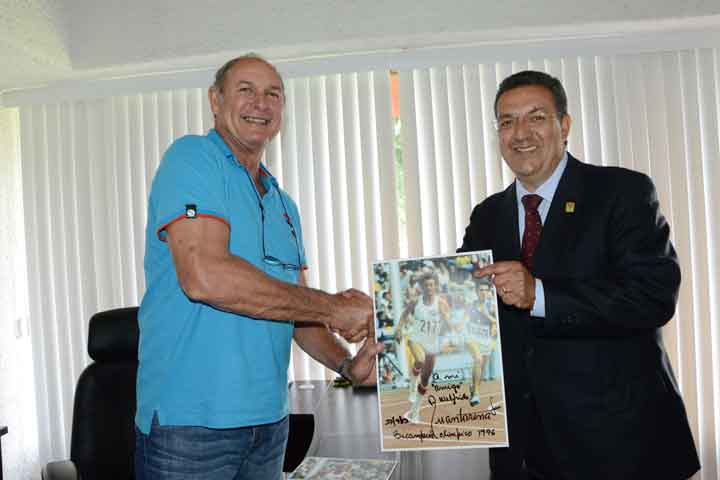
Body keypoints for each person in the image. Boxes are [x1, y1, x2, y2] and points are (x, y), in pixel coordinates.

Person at [134, 54, 382, 480]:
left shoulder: (284, 205)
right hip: (191, 426)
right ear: (215, 100)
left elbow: (297, 314)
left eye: (273, 94)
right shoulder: (192, 159)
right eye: (245, 90)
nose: (260, 103)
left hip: (270, 424)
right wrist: (334, 307)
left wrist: (347, 366)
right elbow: (205, 277)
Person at [459, 70, 700, 480]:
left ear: (564, 125)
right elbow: (462, 306)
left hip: (620, 448)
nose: (520, 133)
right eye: (507, 121)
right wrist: (388, 323)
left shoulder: (622, 192)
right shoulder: (487, 215)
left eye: (536, 117)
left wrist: (540, 295)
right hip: (522, 452)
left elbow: (652, 297)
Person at [395, 271, 449, 423]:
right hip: (416, 338)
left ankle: (414, 412)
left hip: (432, 343)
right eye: (426, 285)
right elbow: (404, 315)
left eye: (431, 285)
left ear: (435, 286)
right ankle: (412, 385)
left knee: (425, 380)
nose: (429, 288)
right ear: (422, 287)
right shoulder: (415, 301)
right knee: (420, 360)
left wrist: (446, 331)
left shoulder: (442, 303)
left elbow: (447, 322)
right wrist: (398, 329)